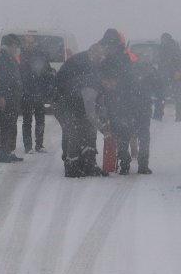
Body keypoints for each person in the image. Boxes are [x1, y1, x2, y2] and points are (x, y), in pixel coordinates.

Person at [53, 42, 109, 177]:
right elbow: (91, 112)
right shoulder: (89, 81)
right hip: (62, 103)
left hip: (76, 102)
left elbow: (100, 106)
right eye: (98, 56)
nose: (99, 60)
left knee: (89, 130)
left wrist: (104, 120)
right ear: (92, 53)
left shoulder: (98, 79)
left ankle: (89, 164)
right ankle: (72, 166)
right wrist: (103, 129)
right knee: (73, 131)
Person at [98, 28, 136, 174]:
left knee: (119, 129)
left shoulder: (119, 59)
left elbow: (128, 79)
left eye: (108, 45)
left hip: (120, 100)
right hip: (118, 100)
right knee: (119, 130)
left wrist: (112, 84)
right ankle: (119, 160)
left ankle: (120, 160)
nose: (106, 48)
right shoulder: (121, 58)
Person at [0, 34, 23, 162]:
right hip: (3, 99)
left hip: (12, 99)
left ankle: (9, 151)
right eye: (16, 46)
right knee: (3, 126)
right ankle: (3, 153)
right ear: (10, 45)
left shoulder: (11, 59)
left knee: (11, 125)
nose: (17, 49)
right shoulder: (0, 59)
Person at [129, 54, 164, 174]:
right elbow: (159, 88)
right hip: (144, 107)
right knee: (144, 137)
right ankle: (143, 165)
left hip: (129, 107)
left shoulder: (129, 70)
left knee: (126, 133)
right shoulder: (151, 72)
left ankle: (123, 164)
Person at [20, 34, 51, 153]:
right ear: (23, 44)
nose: (29, 45)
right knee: (27, 120)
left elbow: (47, 72)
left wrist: (46, 88)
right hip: (26, 93)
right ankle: (28, 146)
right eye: (27, 42)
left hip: (39, 93)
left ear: (35, 43)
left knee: (40, 120)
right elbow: (19, 75)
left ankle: (39, 144)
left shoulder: (41, 55)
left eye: (31, 42)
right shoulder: (20, 56)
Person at [154, 32, 181, 122]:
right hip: (169, 74)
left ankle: (160, 115)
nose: (162, 41)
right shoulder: (171, 47)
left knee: (163, 95)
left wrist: (177, 71)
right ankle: (174, 116)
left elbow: (178, 60)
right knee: (171, 96)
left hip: (171, 74)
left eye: (163, 39)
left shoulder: (172, 47)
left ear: (166, 39)